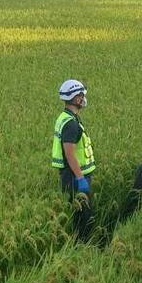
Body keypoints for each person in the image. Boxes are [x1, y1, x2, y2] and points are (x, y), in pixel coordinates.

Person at [51, 79, 96, 239]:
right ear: (76, 99)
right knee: (83, 216)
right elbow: (69, 154)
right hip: (74, 177)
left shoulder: (65, 117)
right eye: (82, 95)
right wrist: (81, 178)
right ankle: (83, 245)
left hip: (71, 175)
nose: (84, 99)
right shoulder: (71, 124)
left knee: (80, 213)